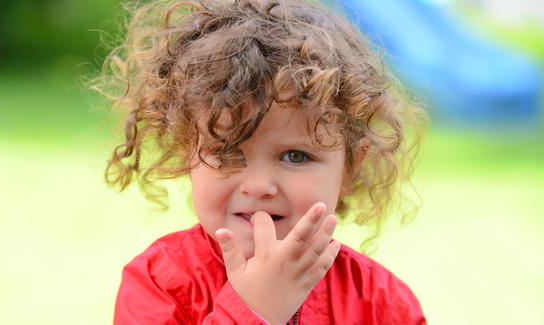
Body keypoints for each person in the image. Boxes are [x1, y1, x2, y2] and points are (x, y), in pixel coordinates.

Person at [92, 0, 427, 323]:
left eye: (296, 156)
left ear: (350, 168)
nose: (259, 186)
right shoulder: (161, 284)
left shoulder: (383, 303)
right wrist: (252, 311)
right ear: (187, 153)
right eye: (228, 152)